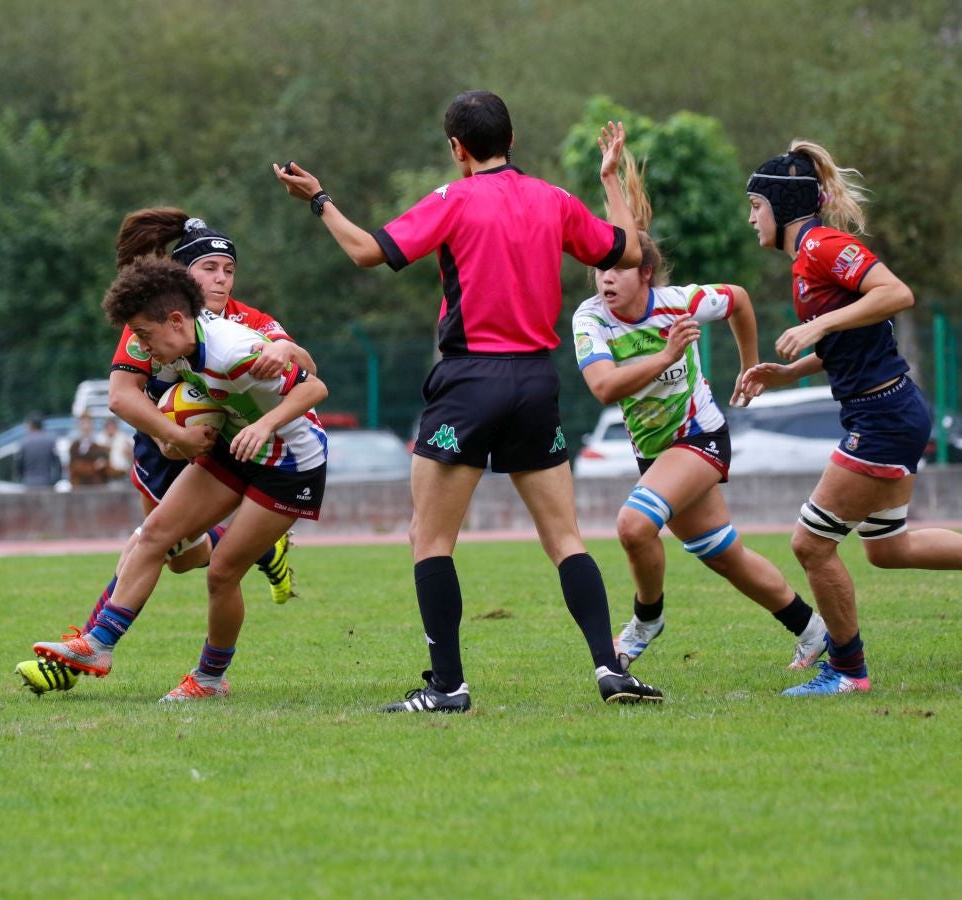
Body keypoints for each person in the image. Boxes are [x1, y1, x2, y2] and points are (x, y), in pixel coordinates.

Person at [274, 89, 662, 711]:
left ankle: (448, 687)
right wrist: (609, 180)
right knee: (565, 538)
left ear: (458, 148)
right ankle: (609, 669)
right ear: (512, 140)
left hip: (469, 382)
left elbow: (367, 251)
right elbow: (628, 250)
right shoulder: (554, 199)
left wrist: (320, 200)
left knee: (430, 539)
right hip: (535, 382)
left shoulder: (452, 199)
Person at [15, 210, 315, 695]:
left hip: (248, 449)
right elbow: (122, 396)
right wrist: (168, 434)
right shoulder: (154, 319)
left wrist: (286, 351)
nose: (220, 279)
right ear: (182, 277)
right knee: (172, 552)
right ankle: (258, 546)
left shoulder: (240, 328)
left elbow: (307, 374)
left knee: (157, 546)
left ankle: (87, 654)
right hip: (168, 443)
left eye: (228, 270)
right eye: (208, 269)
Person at [571, 150, 829, 672]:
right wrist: (665, 357)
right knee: (724, 555)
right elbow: (603, 388)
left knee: (633, 526)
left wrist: (750, 366)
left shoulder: (678, 303)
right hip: (655, 453)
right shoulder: (590, 319)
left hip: (700, 438)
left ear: (646, 274)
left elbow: (739, 299)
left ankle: (647, 619)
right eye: (600, 269)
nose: (606, 279)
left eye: (618, 269)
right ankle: (812, 630)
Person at [740, 140, 962, 696]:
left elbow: (896, 293)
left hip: (883, 416)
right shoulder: (806, 260)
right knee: (888, 548)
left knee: (810, 543)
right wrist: (791, 372)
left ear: (782, 206)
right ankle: (845, 669)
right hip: (887, 409)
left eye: (756, 206)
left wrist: (816, 326)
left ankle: (846, 671)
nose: (751, 218)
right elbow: (852, 336)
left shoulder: (822, 246)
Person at [66, 413, 110, 487]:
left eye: (89, 423)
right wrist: (93, 467)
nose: (86, 427)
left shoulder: (99, 445)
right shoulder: (74, 446)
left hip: (96, 485)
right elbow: (73, 467)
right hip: (79, 486)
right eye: (83, 424)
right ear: (79, 426)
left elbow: (103, 465)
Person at [18, 414, 61, 488]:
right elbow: (57, 462)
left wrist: (20, 477)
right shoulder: (50, 440)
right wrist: (56, 479)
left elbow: (19, 464)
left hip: (29, 481)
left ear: (30, 425)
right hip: (46, 481)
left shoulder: (24, 442)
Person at [103, 417, 133, 482]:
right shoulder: (100, 439)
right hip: (106, 475)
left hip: (123, 473)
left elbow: (131, 451)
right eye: (109, 426)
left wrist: (129, 452)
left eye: (112, 426)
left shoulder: (123, 437)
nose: (111, 428)